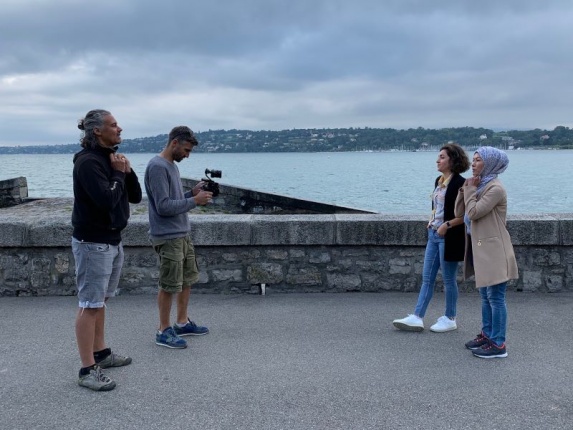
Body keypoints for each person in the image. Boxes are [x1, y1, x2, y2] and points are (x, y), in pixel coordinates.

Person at [71, 109, 142, 391]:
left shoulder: (111, 159)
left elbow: (134, 196)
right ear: (97, 131)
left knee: (100, 302)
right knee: (89, 305)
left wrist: (126, 169)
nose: (120, 129)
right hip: (93, 242)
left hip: (112, 240)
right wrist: (116, 174)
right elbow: (105, 200)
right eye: (113, 125)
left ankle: (101, 353)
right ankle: (87, 369)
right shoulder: (88, 162)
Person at [144, 126, 212, 349]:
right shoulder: (157, 167)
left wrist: (190, 194)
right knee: (169, 284)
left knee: (186, 281)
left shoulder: (171, 166)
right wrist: (195, 201)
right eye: (185, 149)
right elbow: (163, 207)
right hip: (168, 236)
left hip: (182, 233)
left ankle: (182, 322)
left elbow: (173, 200)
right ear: (174, 143)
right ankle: (163, 330)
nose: (187, 154)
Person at [393, 143, 470, 332]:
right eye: (439, 157)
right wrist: (432, 222)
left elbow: (467, 214)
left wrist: (447, 225)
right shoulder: (439, 180)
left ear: (453, 160)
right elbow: (438, 208)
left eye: (442, 157)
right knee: (427, 278)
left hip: (449, 237)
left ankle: (450, 318)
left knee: (449, 280)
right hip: (433, 235)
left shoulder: (461, 183)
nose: (438, 160)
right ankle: (417, 317)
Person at [455, 146, 518, 359]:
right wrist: (465, 188)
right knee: (485, 295)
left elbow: (473, 213)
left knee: (496, 297)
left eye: (478, 160)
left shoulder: (495, 188)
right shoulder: (479, 185)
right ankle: (488, 334)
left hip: (495, 250)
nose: (473, 164)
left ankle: (499, 343)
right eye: (473, 160)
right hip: (482, 249)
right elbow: (459, 212)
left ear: (489, 164)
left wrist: (471, 191)